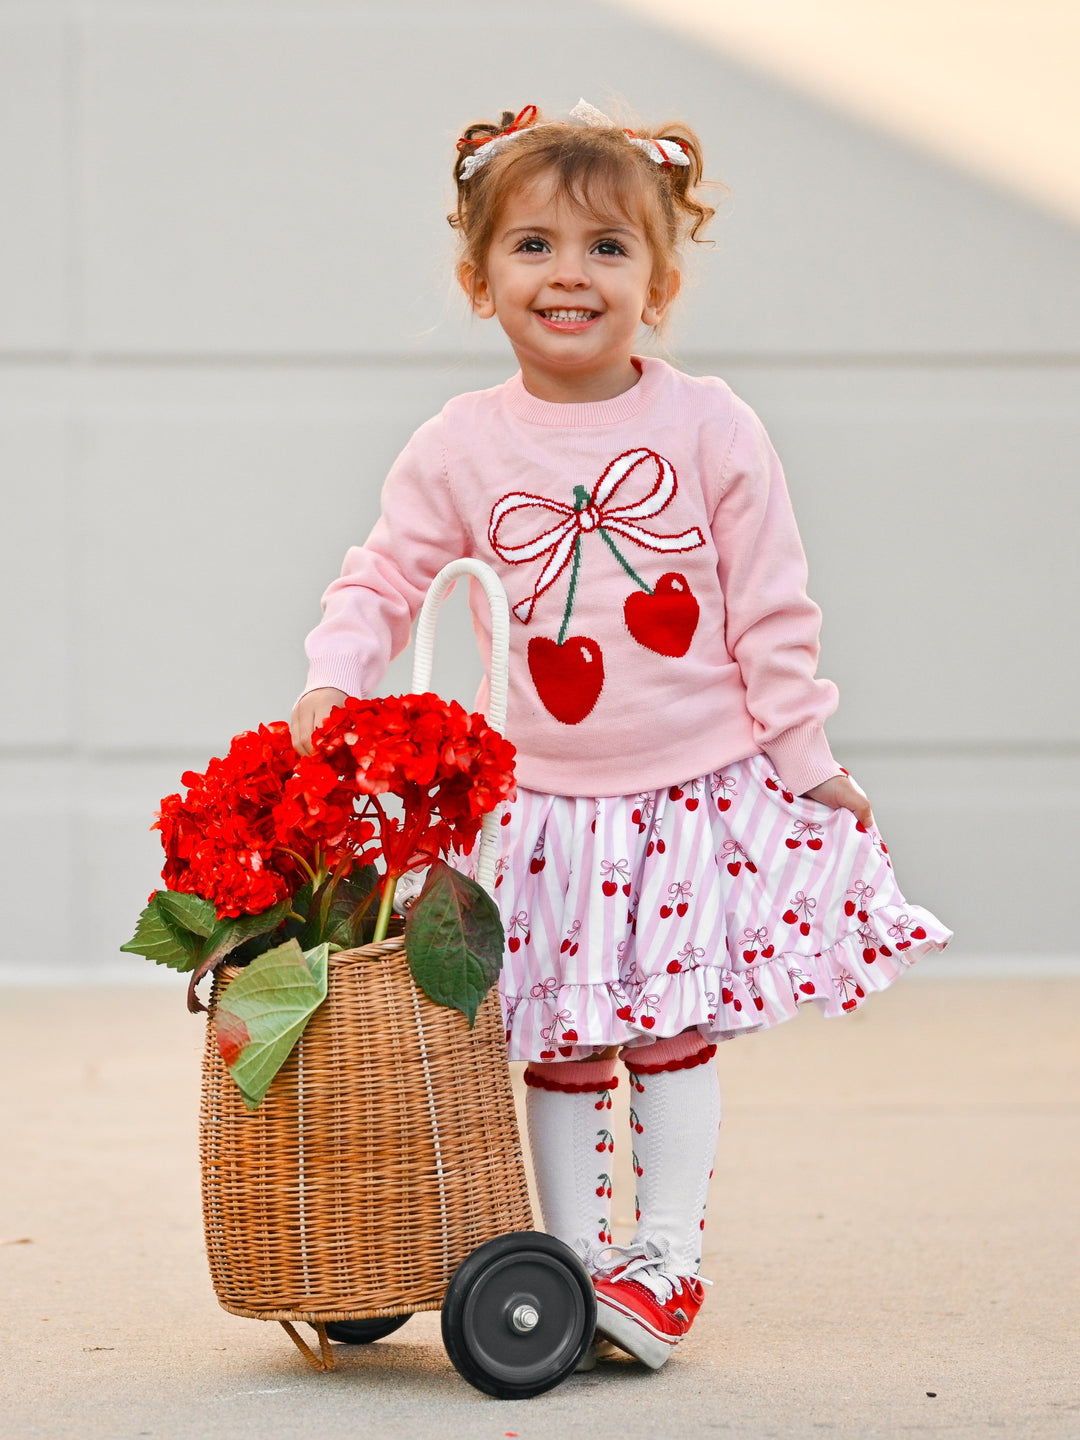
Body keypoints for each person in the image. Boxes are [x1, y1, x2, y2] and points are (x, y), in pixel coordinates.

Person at [290, 100, 952, 1371]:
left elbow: (771, 612)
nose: (570, 275)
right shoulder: (464, 443)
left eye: (607, 248)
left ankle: (665, 1255)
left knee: (664, 1028)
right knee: (561, 1031)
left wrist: (807, 764)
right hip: (545, 802)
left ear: (661, 278)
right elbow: (380, 577)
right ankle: (571, 1258)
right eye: (533, 246)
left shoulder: (709, 427)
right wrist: (336, 678)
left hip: (689, 791)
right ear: (479, 280)